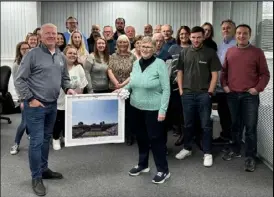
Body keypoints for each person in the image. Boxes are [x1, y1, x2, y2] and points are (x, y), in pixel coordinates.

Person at [14, 23, 76, 196]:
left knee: (46, 138)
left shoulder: (60, 56)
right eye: (47, 33)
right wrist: (30, 99)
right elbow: (20, 80)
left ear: (57, 36)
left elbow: (64, 78)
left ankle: (44, 169)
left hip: (52, 104)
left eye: (53, 34)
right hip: (35, 106)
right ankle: (36, 177)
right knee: (36, 141)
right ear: (40, 36)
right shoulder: (32, 55)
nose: (51, 36)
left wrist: (68, 88)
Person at [221, 24, 270, 172]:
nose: (241, 36)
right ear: (235, 35)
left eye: (245, 33)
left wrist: (257, 88)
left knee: (250, 128)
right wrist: (225, 86)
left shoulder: (257, 52)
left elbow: (265, 74)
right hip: (233, 95)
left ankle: (250, 157)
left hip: (249, 96)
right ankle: (235, 149)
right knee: (235, 125)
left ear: (250, 35)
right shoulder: (230, 51)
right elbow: (224, 72)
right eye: (239, 33)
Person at [122, 36, 171, 184]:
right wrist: (121, 90)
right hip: (135, 107)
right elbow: (132, 82)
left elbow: (166, 89)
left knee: (156, 140)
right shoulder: (136, 64)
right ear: (139, 47)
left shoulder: (160, 64)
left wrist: (163, 110)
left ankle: (163, 170)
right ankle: (143, 165)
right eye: (143, 46)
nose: (145, 49)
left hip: (154, 109)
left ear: (155, 48)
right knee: (141, 137)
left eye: (149, 47)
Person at [175, 26, 222, 167]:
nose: (196, 40)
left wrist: (209, 92)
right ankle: (187, 148)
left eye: (198, 37)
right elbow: (179, 72)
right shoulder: (184, 52)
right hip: (187, 94)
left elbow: (215, 75)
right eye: (193, 37)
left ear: (203, 37)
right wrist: (182, 91)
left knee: (206, 125)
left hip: (203, 94)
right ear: (190, 37)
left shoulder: (210, 53)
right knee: (188, 123)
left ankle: (207, 153)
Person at [52, 45, 88, 150]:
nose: (72, 55)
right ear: (64, 55)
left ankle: (65, 137)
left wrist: (79, 98)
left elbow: (82, 85)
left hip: (73, 100)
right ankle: (55, 138)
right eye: (70, 53)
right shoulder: (58, 67)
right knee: (58, 120)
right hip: (59, 99)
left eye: (74, 53)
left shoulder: (79, 68)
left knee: (68, 120)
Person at [10, 41, 30, 155]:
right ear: (19, 51)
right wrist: (21, 99)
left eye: (28, 48)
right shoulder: (17, 64)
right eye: (23, 49)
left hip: (36, 96)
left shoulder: (33, 61)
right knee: (25, 122)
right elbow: (17, 83)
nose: (26, 50)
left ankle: (31, 137)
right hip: (25, 97)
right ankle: (16, 143)